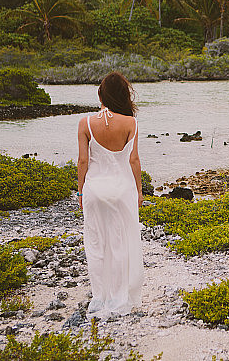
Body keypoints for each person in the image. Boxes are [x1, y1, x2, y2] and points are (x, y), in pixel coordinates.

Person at [77, 71, 144, 318]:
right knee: (121, 243)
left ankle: (100, 296)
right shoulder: (131, 123)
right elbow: (134, 160)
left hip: (95, 190)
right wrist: (139, 191)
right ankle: (119, 296)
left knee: (96, 244)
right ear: (123, 96)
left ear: (101, 95)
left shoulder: (85, 123)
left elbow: (83, 161)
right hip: (122, 190)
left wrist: (80, 192)